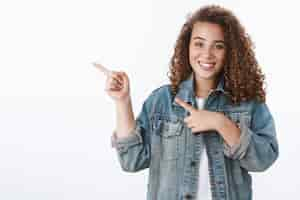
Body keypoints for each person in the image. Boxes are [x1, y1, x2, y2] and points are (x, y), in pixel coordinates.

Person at [99, 5, 279, 200]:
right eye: (199, 44)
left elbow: (263, 160)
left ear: (231, 51)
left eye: (218, 46)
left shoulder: (247, 102)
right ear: (187, 46)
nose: (207, 54)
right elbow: (131, 160)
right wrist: (123, 102)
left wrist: (221, 123)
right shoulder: (162, 101)